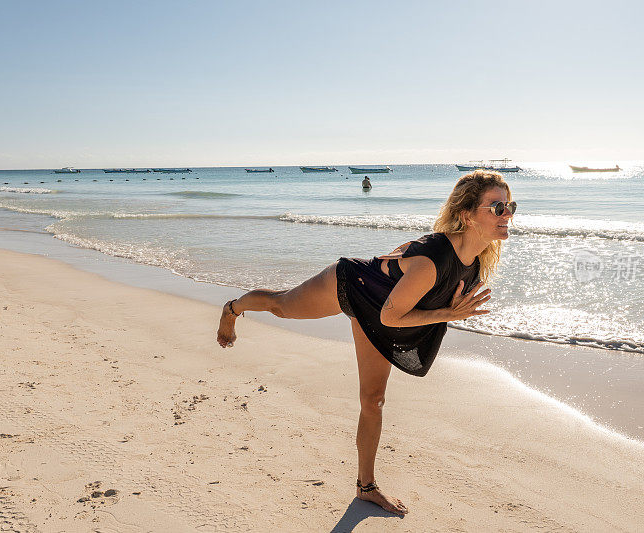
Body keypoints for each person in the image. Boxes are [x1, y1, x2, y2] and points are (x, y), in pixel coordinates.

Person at [216, 170, 516, 515]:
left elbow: (401, 307)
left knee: (373, 400)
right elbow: (394, 315)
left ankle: (366, 486)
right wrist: (449, 314)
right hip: (352, 284)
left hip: (382, 310)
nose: (507, 214)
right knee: (281, 306)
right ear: (467, 215)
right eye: (497, 207)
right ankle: (232, 308)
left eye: (510, 206)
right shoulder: (433, 259)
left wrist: (445, 310)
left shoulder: (475, 262)